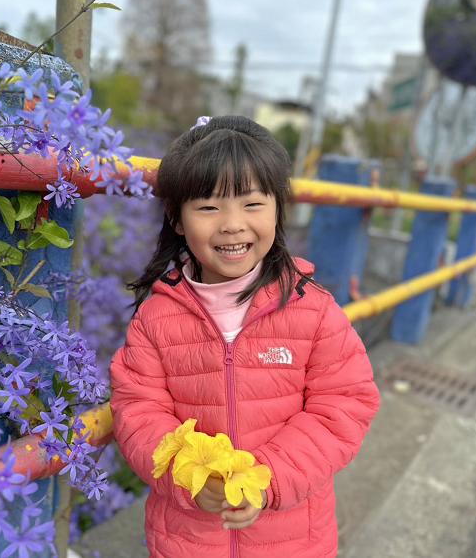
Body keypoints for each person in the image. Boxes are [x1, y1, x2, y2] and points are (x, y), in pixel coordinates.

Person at [110, 116, 380, 558]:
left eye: (252, 204)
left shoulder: (312, 310)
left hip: (294, 541)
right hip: (187, 542)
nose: (233, 224)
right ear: (176, 219)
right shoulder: (155, 318)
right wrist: (188, 473)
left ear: (278, 208)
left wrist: (266, 479)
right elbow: (137, 410)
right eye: (209, 207)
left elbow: (345, 405)